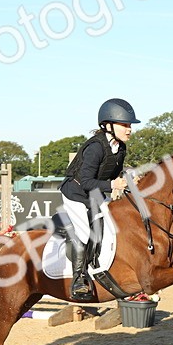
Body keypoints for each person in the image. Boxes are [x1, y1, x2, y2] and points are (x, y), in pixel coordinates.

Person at [60, 97, 136, 300]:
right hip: (75, 193)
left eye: (130, 125)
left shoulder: (120, 148)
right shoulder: (95, 147)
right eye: (125, 125)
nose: (129, 129)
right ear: (109, 125)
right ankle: (79, 279)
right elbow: (85, 181)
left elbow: (112, 175)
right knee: (85, 234)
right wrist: (112, 185)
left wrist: (127, 178)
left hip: (94, 194)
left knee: (114, 226)